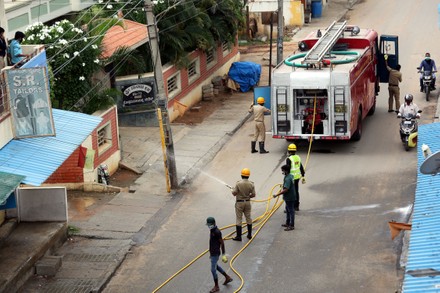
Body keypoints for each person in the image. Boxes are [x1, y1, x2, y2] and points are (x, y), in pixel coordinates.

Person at [206, 217, 233, 293]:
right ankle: (227, 277)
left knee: (213, 270)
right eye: (208, 225)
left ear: (214, 223)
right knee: (216, 266)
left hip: (215, 253)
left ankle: (216, 286)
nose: (209, 226)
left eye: (210, 224)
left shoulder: (217, 232)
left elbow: (222, 243)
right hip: (213, 253)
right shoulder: (212, 230)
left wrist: (223, 254)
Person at [231, 168, 256, 241]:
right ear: (248, 176)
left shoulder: (238, 183)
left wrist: (232, 190)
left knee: (239, 218)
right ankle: (249, 235)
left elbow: (234, 193)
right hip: (247, 202)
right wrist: (248, 197)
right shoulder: (251, 184)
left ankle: (239, 237)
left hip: (239, 203)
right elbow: (253, 194)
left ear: (241, 175)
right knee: (248, 218)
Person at [273, 165, 297, 231]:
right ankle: (287, 222)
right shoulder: (290, 176)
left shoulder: (287, 179)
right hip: (289, 197)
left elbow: (286, 189)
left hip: (289, 197)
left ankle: (291, 225)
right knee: (287, 209)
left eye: (283, 170)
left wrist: (277, 194)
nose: (282, 172)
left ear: (286, 171)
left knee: (291, 210)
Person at [286, 143, 305, 211]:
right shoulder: (298, 157)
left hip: (291, 178)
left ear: (289, 151)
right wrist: (303, 175)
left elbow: (288, 169)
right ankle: (296, 206)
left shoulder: (289, 159)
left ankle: (290, 207)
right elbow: (301, 167)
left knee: (289, 193)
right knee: (296, 191)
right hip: (297, 178)